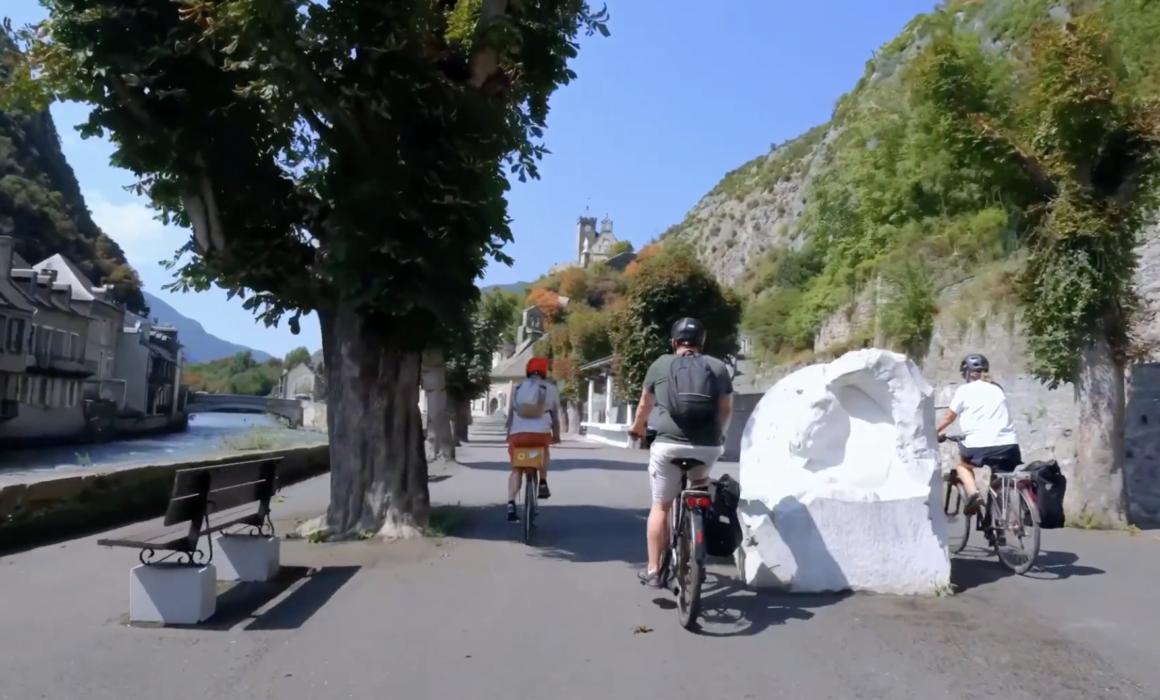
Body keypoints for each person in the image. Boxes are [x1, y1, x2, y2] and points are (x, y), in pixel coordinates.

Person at [628, 317, 734, 588]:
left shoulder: (661, 364)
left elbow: (644, 406)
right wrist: (720, 435)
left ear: (674, 342)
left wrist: (637, 430)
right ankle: (698, 545)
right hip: (708, 446)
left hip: (668, 445)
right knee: (700, 485)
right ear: (702, 343)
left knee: (661, 506)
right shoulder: (718, 367)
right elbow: (726, 409)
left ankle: (654, 570)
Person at [935, 353, 1021, 517]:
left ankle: (974, 495)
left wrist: (934, 432)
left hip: (979, 445)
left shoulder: (964, 390)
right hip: (1009, 445)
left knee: (962, 465)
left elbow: (949, 417)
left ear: (966, 373)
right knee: (1000, 476)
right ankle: (1001, 520)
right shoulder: (997, 389)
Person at [504, 357, 561, 522]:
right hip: (540, 435)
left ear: (527, 371)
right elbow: (555, 416)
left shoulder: (517, 388)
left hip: (518, 435)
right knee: (543, 451)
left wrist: (509, 435)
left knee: (517, 469)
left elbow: (510, 415)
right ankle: (542, 482)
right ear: (544, 372)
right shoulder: (550, 389)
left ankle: (511, 503)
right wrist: (556, 436)